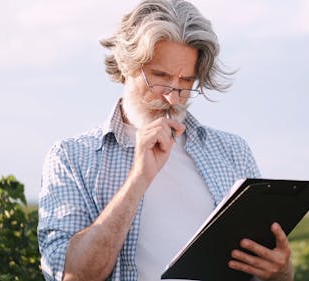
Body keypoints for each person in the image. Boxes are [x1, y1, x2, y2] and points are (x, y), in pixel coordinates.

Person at [38, 0, 294, 280]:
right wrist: (139, 177)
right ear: (126, 65)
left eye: (185, 82)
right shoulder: (71, 158)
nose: (173, 97)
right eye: (160, 77)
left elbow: (266, 271)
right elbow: (73, 276)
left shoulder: (232, 151)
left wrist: (280, 272)